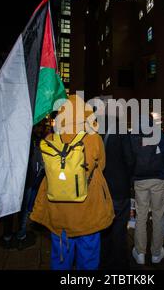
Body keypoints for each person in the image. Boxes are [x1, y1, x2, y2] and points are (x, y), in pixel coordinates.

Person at [30, 94, 114, 270]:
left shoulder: (50, 140)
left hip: (58, 211)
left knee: (61, 258)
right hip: (88, 210)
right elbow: (103, 165)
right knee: (89, 258)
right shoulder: (94, 138)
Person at [129, 113, 164, 265]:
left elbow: (129, 158)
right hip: (157, 179)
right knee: (158, 215)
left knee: (141, 216)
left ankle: (140, 253)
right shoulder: (158, 133)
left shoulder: (132, 136)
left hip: (140, 180)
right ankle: (156, 253)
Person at [100, 115, 134, 270]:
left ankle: (104, 261)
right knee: (119, 228)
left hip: (101, 189)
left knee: (103, 227)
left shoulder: (95, 132)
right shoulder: (121, 132)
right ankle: (120, 264)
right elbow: (130, 159)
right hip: (120, 188)